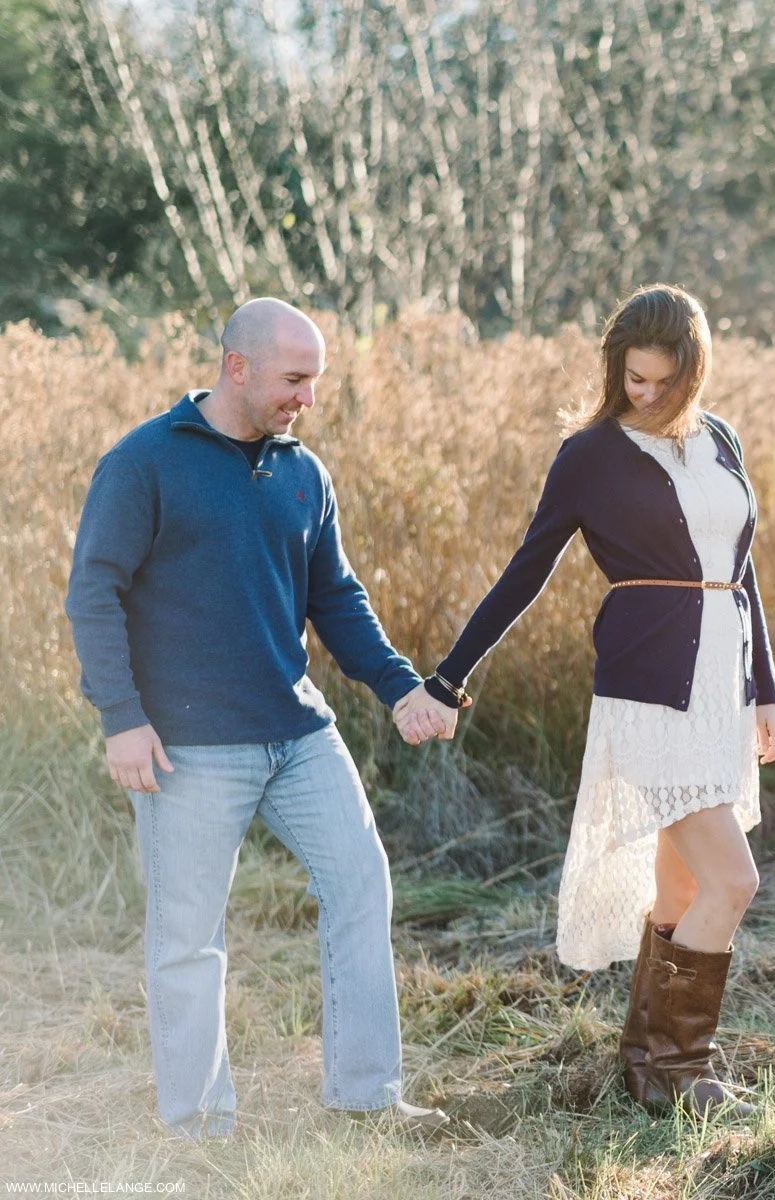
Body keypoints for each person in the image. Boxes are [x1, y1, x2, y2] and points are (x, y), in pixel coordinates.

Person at [64, 298, 457, 1140]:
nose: (306, 398)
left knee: (360, 882)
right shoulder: (143, 464)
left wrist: (399, 688)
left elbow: (336, 600)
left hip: (299, 734)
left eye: (314, 380)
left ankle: (365, 1097)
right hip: (187, 748)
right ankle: (201, 1131)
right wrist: (121, 717)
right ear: (236, 367)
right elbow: (93, 593)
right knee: (188, 938)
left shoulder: (304, 474)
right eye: (293, 379)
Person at [412, 283, 775, 1118]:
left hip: (722, 694)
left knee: (685, 893)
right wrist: (447, 677)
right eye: (632, 378)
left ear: (693, 372)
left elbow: (741, 569)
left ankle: (647, 1071)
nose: (644, 395)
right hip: (650, 696)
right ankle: (686, 1072)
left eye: (661, 381)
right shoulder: (590, 454)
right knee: (734, 882)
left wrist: (766, 690)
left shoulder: (719, 438)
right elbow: (528, 570)